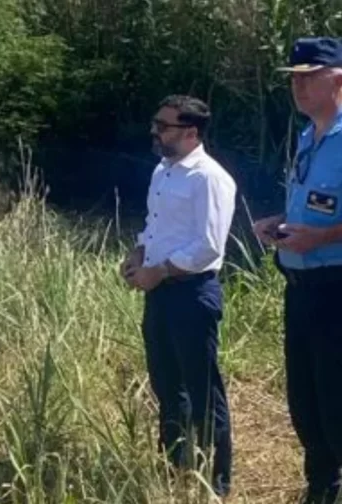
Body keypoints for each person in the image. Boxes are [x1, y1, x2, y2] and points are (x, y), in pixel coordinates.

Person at [121, 95, 236, 497]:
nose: (155, 132)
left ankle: (216, 483)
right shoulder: (163, 171)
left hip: (192, 293)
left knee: (203, 390)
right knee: (167, 385)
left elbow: (208, 245)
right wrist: (139, 254)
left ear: (191, 132)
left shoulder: (209, 178)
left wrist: (159, 271)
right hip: (160, 294)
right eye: (155, 123)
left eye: (163, 126)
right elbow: (155, 226)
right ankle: (176, 469)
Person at [253, 37, 342, 504]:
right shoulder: (308, 137)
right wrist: (280, 225)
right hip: (300, 288)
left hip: (335, 289)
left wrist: (321, 238)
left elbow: (326, 227)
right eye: (293, 79)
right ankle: (321, 487)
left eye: (310, 77)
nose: (299, 87)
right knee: (305, 401)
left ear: (339, 80)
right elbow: (314, 208)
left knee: (336, 401)